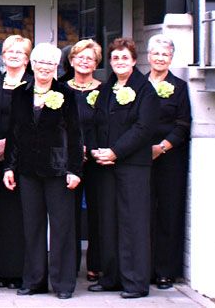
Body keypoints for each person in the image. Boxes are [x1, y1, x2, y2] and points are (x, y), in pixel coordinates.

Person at [3, 42, 82, 300]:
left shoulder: (66, 93)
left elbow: (75, 134)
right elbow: (14, 132)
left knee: (62, 227)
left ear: (56, 66)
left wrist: (74, 170)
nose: (45, 67)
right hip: (28, 170)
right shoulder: (20, 93)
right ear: (32, 64)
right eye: (41, 62)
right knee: (32, 226)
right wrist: (9, 167)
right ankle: (34, 280)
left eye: (50, 63)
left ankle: (63, 284)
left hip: (59, 170)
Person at [88, 37, 158, 299]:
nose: (119, 62)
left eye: (124, 57)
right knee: (108, 221)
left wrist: (116, 152)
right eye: (115, 58)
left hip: (132, 166)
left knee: (132, 223)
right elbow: (96, 121)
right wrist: (96, 150)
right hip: (105, 165)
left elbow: (144, 128)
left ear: (134, 60)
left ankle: (135, 282)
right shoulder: (107, 88)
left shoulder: (146, 91)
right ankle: (111, 277)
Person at [0, 35, 31, 289]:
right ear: (2, 56)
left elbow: (32, 122)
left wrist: (8, 144)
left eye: (19, 52)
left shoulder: (33, 84)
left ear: (27, 58)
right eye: (9, 51)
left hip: (23, 159)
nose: (13, 55)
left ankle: (21, 271)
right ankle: (2, 271)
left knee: (22, 216)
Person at [146, 34, 192, 290]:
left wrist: (162, 147)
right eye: (156, 53)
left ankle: (165, 271)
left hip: (170, 158)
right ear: (149, 56)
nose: (160, 58)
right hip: (139, 157)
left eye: (165, 54)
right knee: (143, 213)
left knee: (167, 212)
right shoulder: (138, 84)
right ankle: (145, 267)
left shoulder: (180, 87)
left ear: (171, 58)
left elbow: (183, 124)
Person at [62, 39, 103, 283]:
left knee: (98, 213)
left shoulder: (105, 90)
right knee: (69, 214)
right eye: (80, 57)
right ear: (72, 60)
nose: (84, 61)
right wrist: (74, 150)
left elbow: (107, 125)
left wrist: (92, 148)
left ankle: (95, 264)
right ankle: (70, 264)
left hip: (97, 160)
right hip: (67, 161)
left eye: (90, 58)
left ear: (96, 63)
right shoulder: (60, 89)